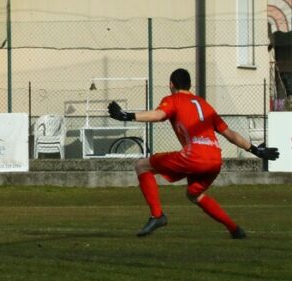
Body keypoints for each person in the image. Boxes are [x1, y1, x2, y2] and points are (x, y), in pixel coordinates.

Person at [107, 68, 279, 239]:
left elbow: (159, 115)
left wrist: (127, 116)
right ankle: (235, 229)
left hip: (195, 156)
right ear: (190, 85)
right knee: (194, 194)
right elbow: (229, 134)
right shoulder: (204, 104)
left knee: (142, 165)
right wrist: (255, 149)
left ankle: (157, 216)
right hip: (215, 159)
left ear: (171, 84)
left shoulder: (173, 99)